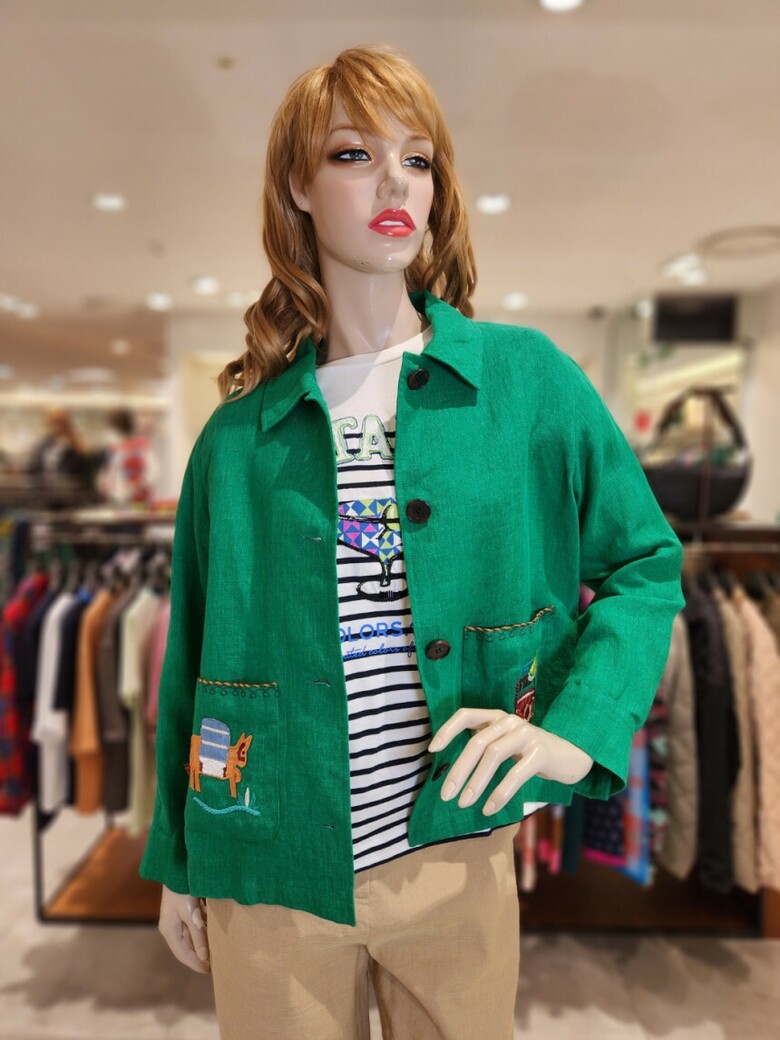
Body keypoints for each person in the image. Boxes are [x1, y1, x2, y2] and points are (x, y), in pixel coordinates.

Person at [140, 46, 684, 1039]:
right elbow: (193, 662)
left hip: (452, 853)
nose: (395, 182)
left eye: (417, 159)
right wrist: (181, 856)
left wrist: (577, 726)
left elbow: (644, 561)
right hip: (268, 860)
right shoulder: (237, 438)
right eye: (354, 154)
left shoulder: (523, 381)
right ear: (298, 186)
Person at [96, 407, 158, 507]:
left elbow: (153, 471)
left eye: (112, 427)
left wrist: (139, 485)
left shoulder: (140, 446)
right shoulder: (114, 449)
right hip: (116, 501)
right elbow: (108, 473)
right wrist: (103, 483)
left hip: (136, 502)